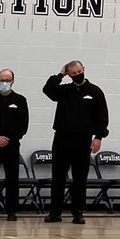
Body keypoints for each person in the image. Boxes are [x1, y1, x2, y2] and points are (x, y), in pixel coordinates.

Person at [43, 60, 109, 225]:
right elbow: (47, 90)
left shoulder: (95, 91)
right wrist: (60, 75)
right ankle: (55, 212)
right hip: (62, 138)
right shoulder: (64, 90)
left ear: (84, 69)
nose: (78, 75)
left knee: (80, 178)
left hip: (83, 139)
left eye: (79, 71)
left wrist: (98, 137)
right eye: (73, 73)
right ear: (69, 75)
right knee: (58, 177)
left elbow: (102, 116)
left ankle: (78, 212)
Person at [0, 68, 29, 222]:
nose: (5, 82)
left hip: (12, 145)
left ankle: (12, 211)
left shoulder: (20, 101)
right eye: (2, 79)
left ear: (13, 81)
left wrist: (7, 138)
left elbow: (22, 125)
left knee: (12, 179)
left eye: (8, 80)